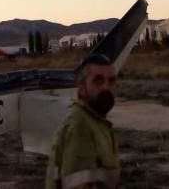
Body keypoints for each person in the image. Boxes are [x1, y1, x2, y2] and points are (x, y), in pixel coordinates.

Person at [45, 53, 120, 188]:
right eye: (98, 81)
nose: (106, 88)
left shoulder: (95, 122)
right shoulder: (80, 128)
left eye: (111, 81)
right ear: (81, 88)